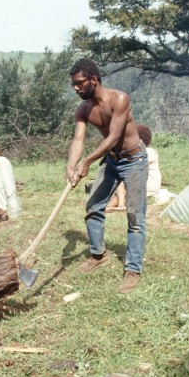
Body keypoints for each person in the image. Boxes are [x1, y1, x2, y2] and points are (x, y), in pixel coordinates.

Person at [65, 58, 147, 293]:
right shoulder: (83, 110)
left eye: (79, 83)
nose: (76, 88)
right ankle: (99, 255)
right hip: (111, 161)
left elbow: (113, 136)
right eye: (73, 85)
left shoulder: (119, 99)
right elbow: (78, 139)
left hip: (134, 160)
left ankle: (132, 270)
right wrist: (71, 166)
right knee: (93, 206)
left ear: (94, 79)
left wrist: (87, 161)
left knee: (135, 217)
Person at [105, 123, 161, 210]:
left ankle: (118, 205)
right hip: (151, 185)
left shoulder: (145, 152)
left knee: (121, 183)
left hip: (148, 185)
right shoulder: (151, 151)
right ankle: (110, 206)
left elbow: (135, 167)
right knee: (125, 190)